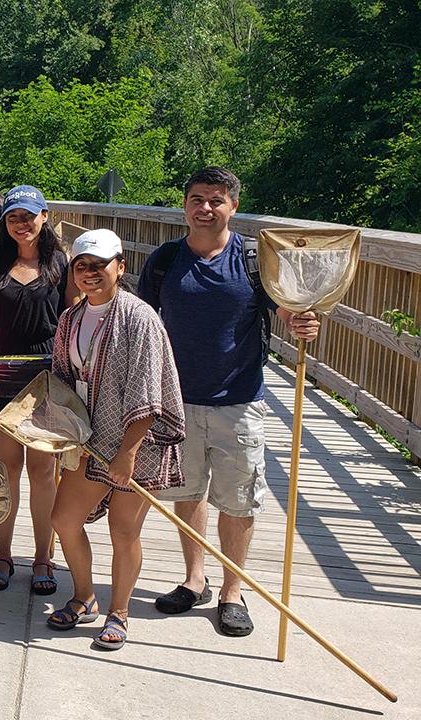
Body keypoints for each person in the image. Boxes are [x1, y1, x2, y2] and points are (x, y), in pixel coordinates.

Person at [139, 166, 321, 636]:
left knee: (239, 500)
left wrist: (301, 324)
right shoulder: (165, 260)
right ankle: (194, 578)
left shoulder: (254, 261)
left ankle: (232, 591)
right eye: (197, 198)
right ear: (184, 204)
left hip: (239, 399)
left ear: (233, 206)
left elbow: (285, 309)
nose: (205, 208)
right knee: (188, 492)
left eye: (216, 200)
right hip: (177, 399)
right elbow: (144, 321)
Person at [46, 228, 185, 651]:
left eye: (100, 265)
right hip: (89, 439)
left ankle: (119, 612)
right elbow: (62, 378)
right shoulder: (71, 317)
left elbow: (149, 391)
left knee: (124, 530)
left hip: (135, 443)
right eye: (82, 265)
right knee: (63, 521)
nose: (90, 273)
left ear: (120, 267)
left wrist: (127, 454)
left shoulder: (140, 317)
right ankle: (84, 596)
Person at [0, 185, 80, 591]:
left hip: (46, 380)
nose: (22, 224)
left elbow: (71, 317)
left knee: (42, 473)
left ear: (45, 217)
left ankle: (42, 557)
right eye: (14, 217)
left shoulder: (60, 264)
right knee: (5, 471)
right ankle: (2, 554)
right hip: (0, 378)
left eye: (29, 216)